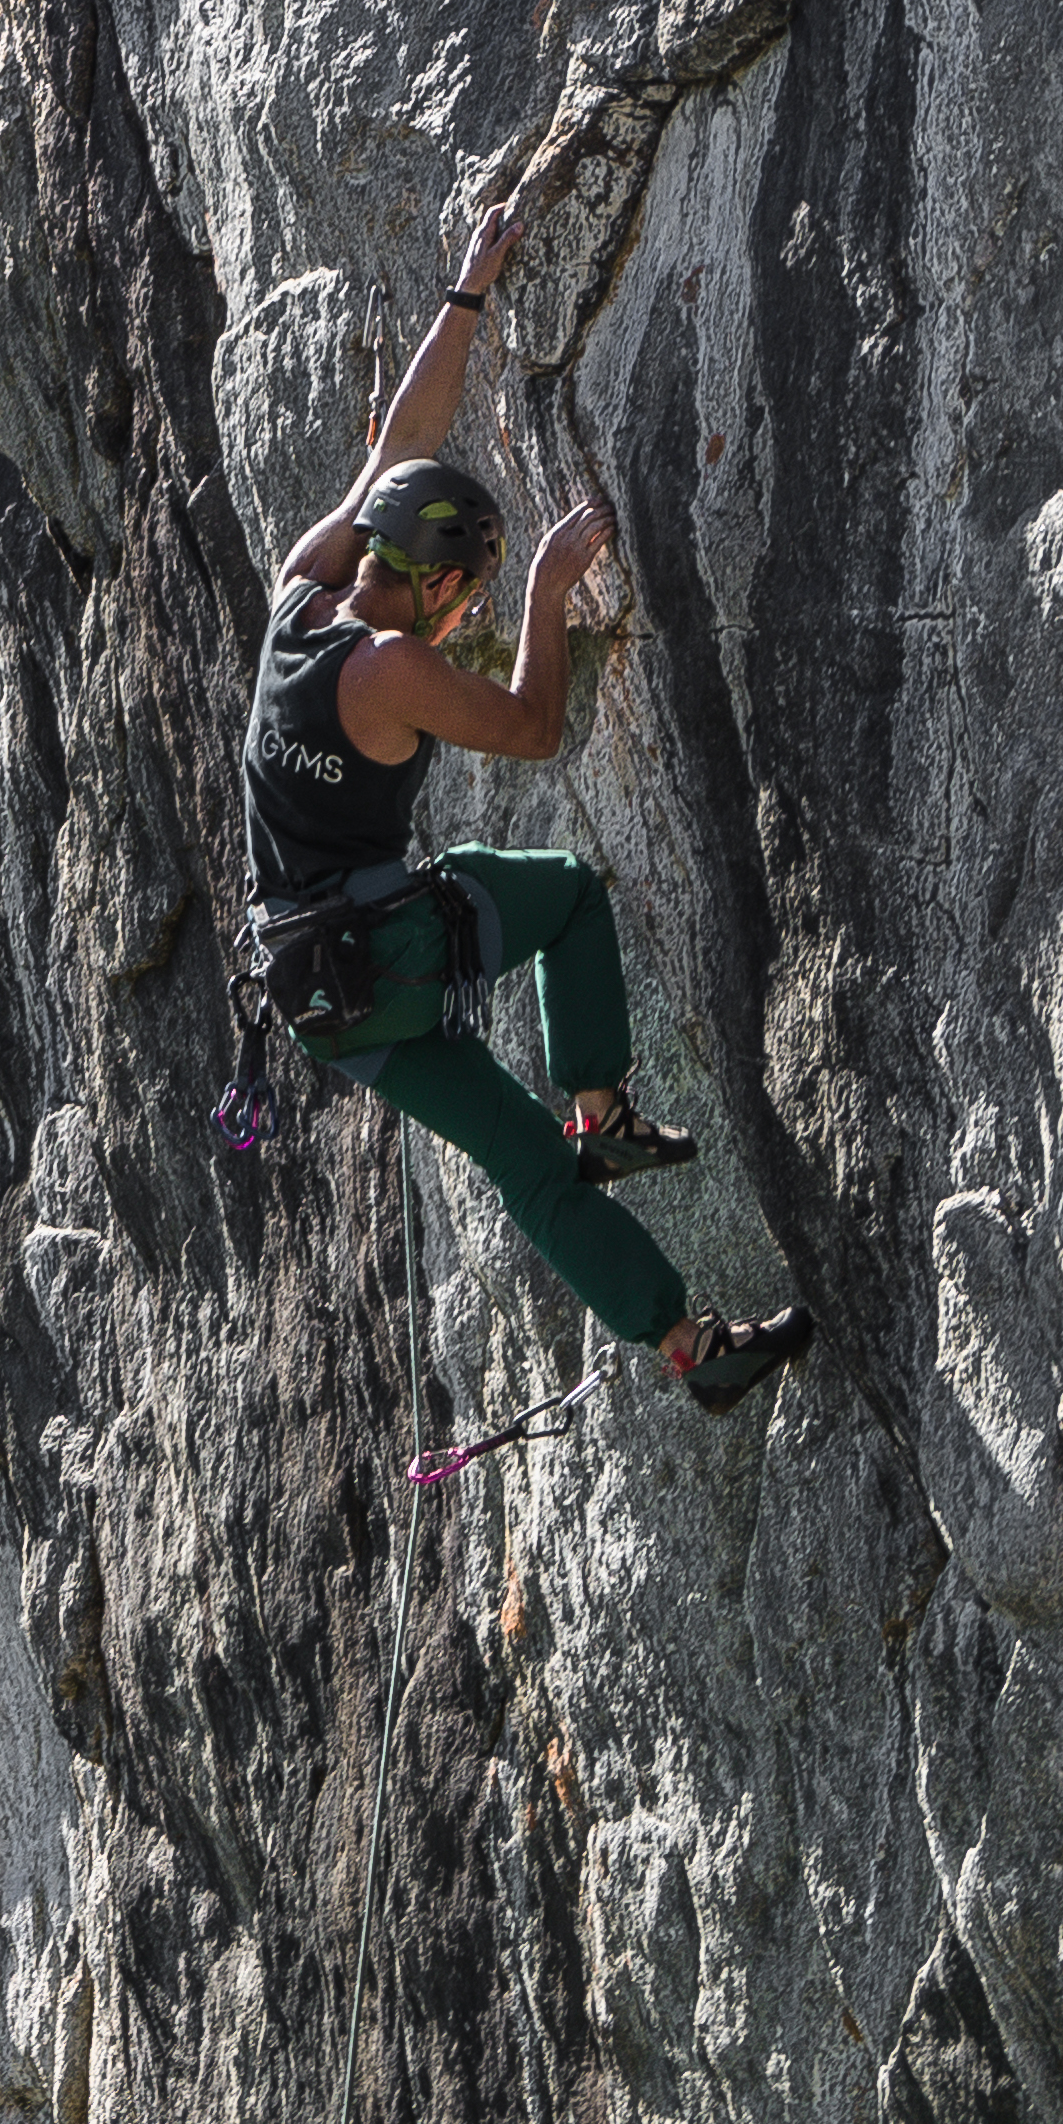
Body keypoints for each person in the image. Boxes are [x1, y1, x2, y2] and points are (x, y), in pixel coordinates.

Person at [239, 194, 810, 1414]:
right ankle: (597, 1112)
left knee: (522, 1160)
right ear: (437, 581)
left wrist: (468, 291)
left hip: (320, 994)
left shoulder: (304, 592)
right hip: (377, 948)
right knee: (557, 899)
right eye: (471, 593)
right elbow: (537, 729)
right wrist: (548, 590)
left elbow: (399, 439)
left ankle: (687, 1343)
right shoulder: (388, 670)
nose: (469, 610)